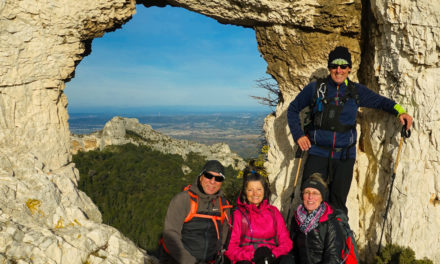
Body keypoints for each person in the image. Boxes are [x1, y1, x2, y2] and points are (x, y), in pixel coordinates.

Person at [287, 46, 413, 214]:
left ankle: (337, 239)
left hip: (344, 157)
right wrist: (299, 135)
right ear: (329, 67)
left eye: (343, 66)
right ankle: (308, 238)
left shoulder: (356, 91)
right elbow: (293, 109)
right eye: (334, 65)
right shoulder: (316, 89)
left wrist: (400, 111)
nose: (338, 70)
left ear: (349, 69)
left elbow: (381, 102)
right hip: (317, 153)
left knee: (338, 204)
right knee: (311, 200)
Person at [162, 160, 232, 264]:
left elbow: (224, 237)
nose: (212, 181)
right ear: (201, 176)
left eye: (218, 178)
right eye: (208, 176)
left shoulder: (224, 205)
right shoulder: (183, 200)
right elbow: (170, 236)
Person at [225, 168, 294, 264]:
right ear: (245, 192)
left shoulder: (273, 212)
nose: (255, 194)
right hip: (249, 259)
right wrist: (253, 256)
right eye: (250, 190)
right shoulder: (238, 215)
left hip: (272, 258)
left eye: (259, 189)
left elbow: (286, 242)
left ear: (264, 191)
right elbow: (230, 248)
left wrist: (272, 254)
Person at [290, 173, 344, 264]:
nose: (310, 197)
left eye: (315, 193)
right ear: (302, 195)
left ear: (322, 197)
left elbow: (332, 258)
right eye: (307, 192)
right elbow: (293, 251)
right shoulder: (296, 219)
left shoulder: (330, 222)